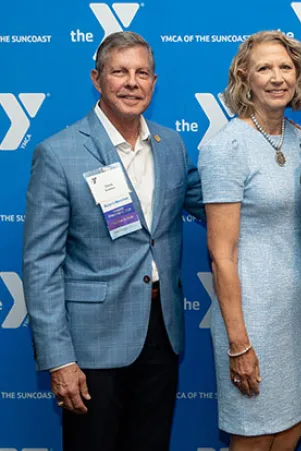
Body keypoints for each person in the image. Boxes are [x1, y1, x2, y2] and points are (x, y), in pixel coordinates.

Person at [22, 31, 204, 451]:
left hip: (161, 331)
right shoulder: (60, 153)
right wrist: (60, 358)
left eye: (142, 73)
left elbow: (212, 205)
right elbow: (40, 264)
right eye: (119, 72)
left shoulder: (171, 144)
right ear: (97, 79)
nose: (132, 82)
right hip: (90, 346)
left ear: (155, 82)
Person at [197, 31, 301, 451]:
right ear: (244, 76)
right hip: (249, 318)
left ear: (299, 75)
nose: (277, 77)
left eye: (285, 67)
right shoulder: (226, 147)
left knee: (291, 430)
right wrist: (238, 343)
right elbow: (221, 255)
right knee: (254, 437)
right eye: (264, 67)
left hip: (294, 313)